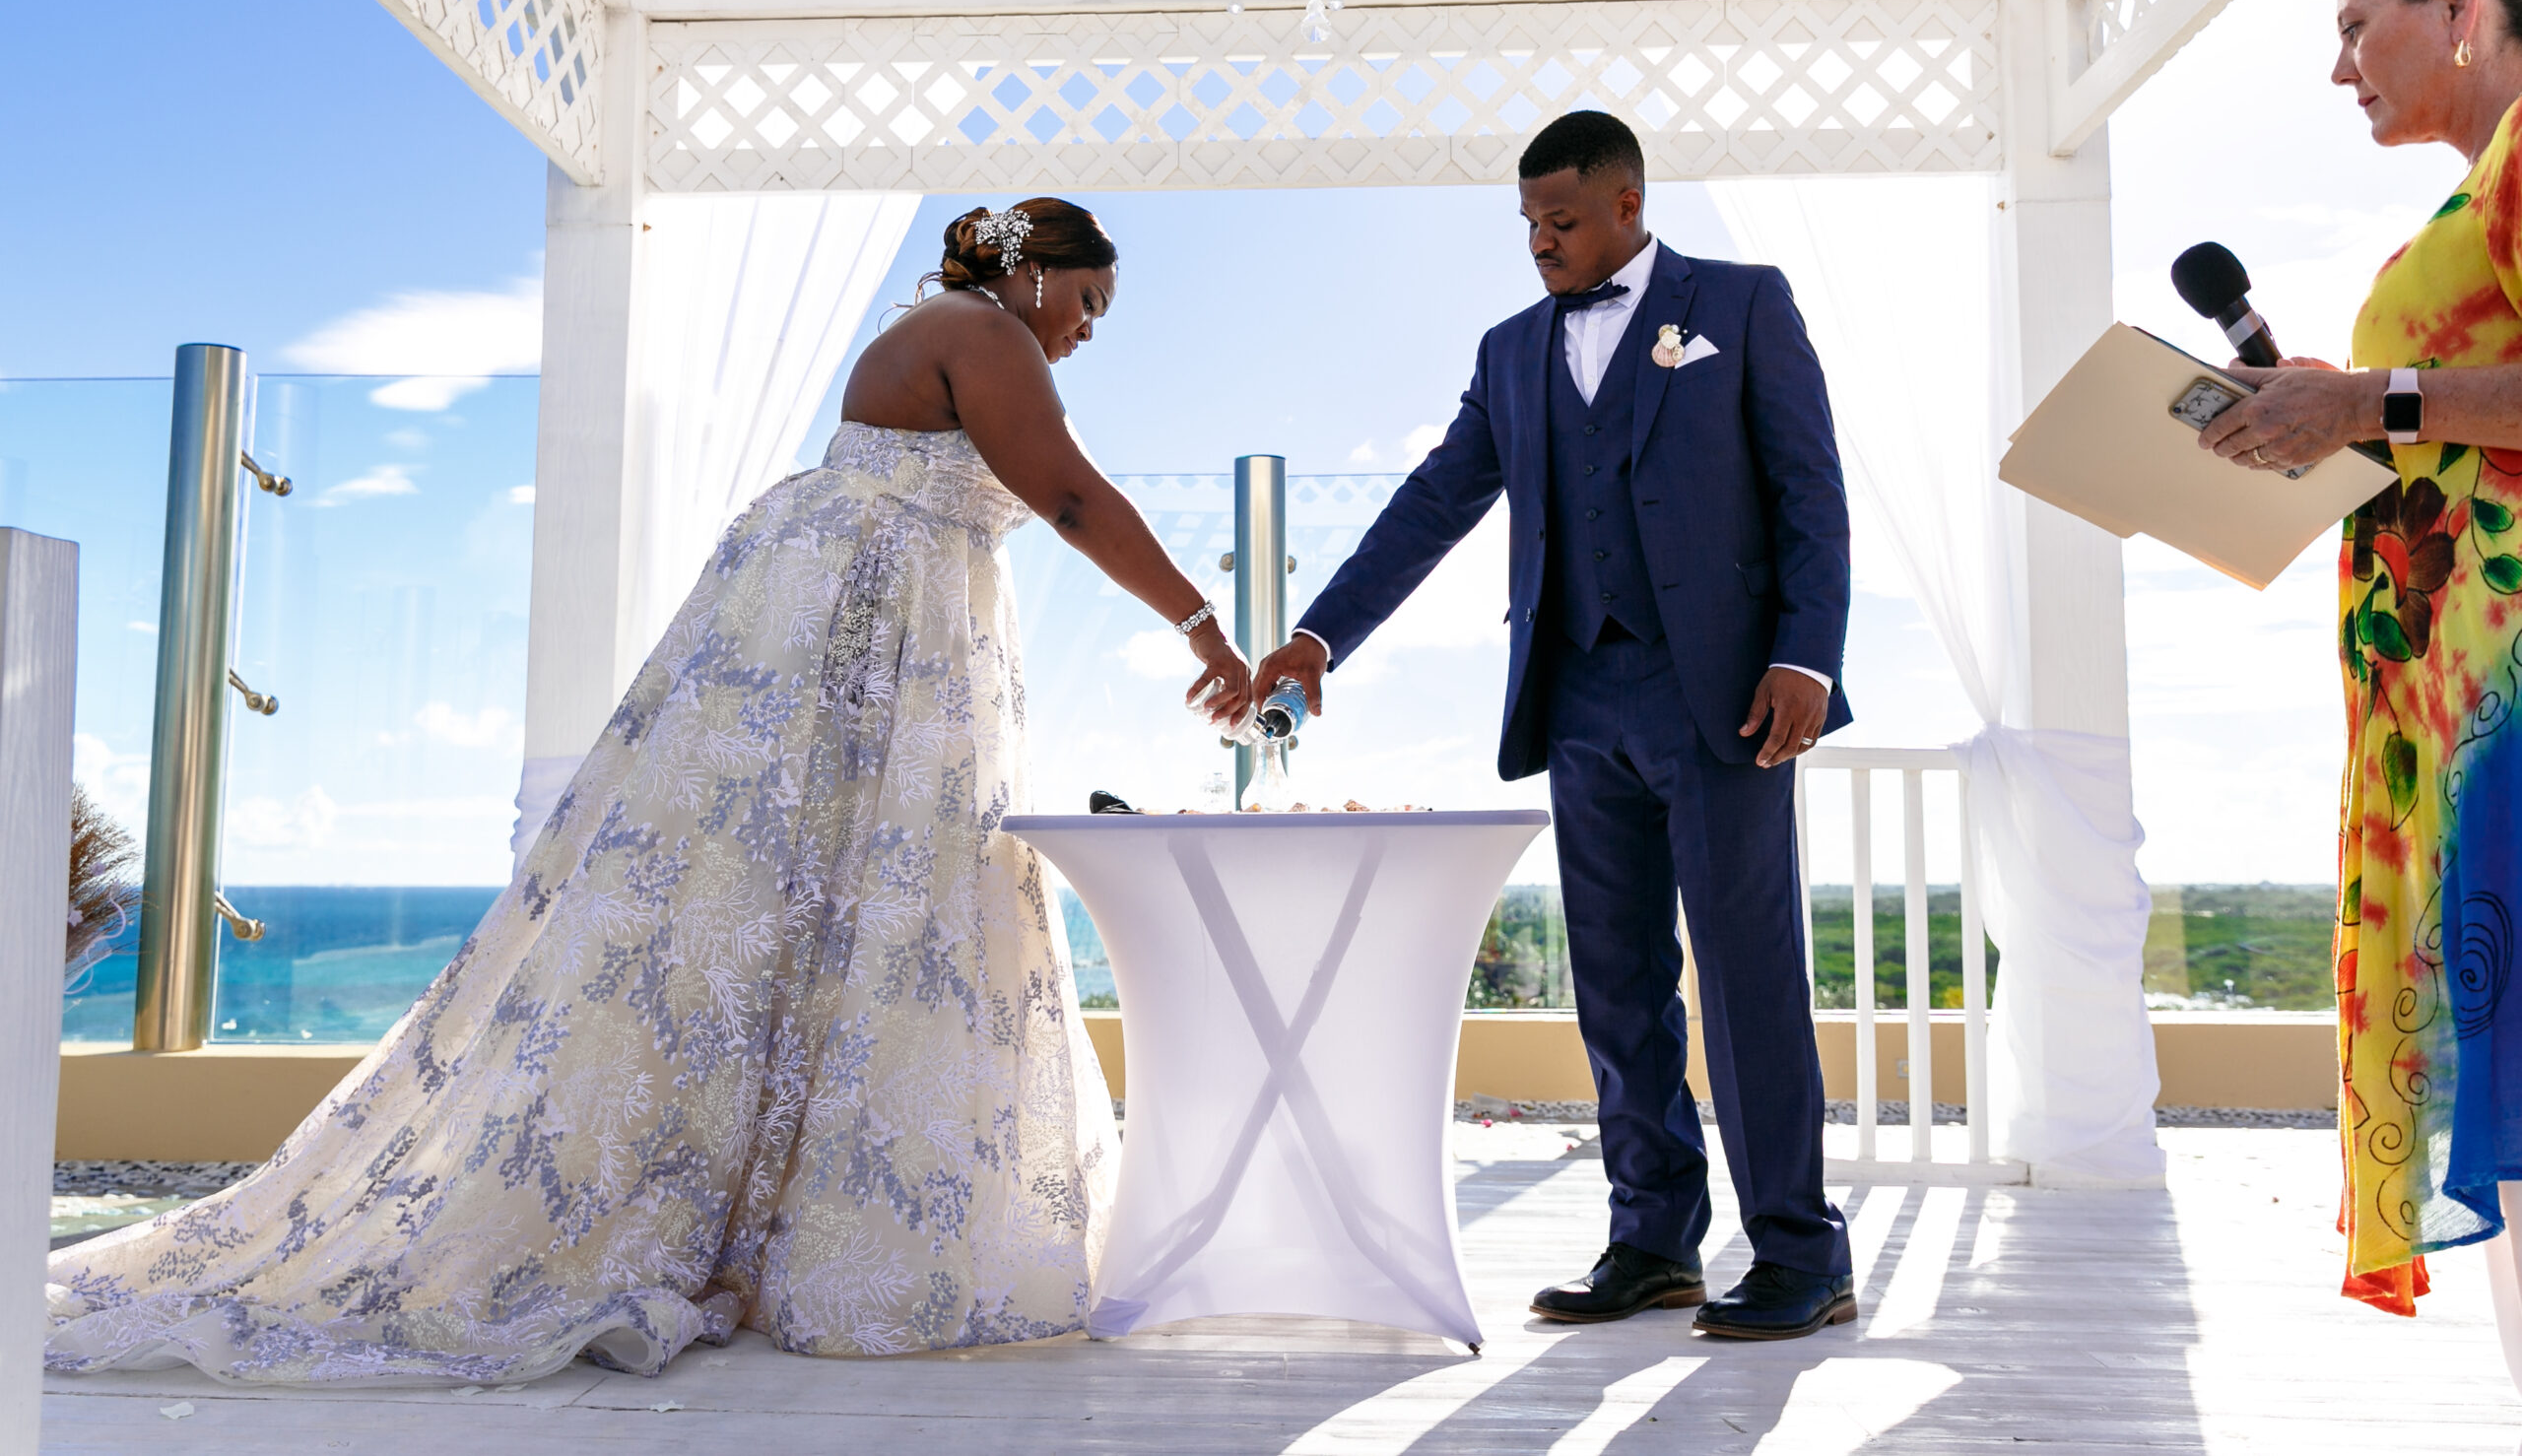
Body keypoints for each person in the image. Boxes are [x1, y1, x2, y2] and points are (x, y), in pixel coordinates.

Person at [46, 199, 1255, 1382]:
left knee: (817, 916)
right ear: (1041, 274)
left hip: (885, 625)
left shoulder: (952, 331)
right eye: (1090, 302)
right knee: (846, 907)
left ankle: (765, 1226)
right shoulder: (983, 331)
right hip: (868, 630)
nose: (1091, 330)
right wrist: (1204, 629)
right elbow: (1072, 496)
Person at [1253, 109, 1855, 1340]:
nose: (1539, 242)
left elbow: (1809, 488)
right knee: (1616, 984)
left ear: (1629, 204)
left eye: (1562, 220)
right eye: (1527, 222)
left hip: (1726, 699)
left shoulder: (1739, 305)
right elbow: (1433, 504)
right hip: (1577, 699)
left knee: (1746, 980)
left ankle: (1801, 1252)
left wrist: (1805, 653)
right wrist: (1320, 638)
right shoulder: (1509, 350)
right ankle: (1653, 1241)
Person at [2198, 0, 2522, 1329]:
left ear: (2457, 5)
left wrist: (2369, 398)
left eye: (2355, 27)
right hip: (2459, 720)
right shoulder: (2476, 186)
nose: (2339, 70)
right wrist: (2325, 425)